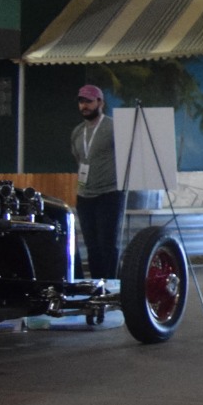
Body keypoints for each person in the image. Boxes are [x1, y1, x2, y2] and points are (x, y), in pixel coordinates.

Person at [71, 85, 122, 281]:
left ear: (100, 102)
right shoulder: (77, 132)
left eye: (89, 101)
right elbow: (79, 158)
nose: (84, 105)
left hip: (109, 194)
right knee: (91, 246)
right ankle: (95, 286)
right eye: (81, 102)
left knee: (107, 245)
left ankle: (110, 286)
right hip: (85, 196)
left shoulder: (112, 127)